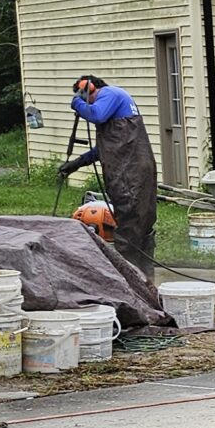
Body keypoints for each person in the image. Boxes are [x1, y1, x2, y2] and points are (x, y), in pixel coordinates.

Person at [60, 76, 159, 282]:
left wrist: (77, 102)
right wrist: (76, 163)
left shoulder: (110, 94)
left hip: (131, 174)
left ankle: (129, 283)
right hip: (132, 172)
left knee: (130, 228)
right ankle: (146, 280)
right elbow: (106, 148)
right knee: (139, 224)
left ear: (90, 88)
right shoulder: (116, 110)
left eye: (86, 98)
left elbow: (96, 114)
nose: (89, 104)